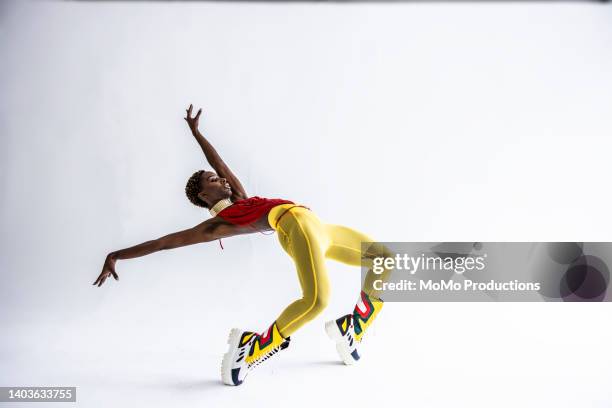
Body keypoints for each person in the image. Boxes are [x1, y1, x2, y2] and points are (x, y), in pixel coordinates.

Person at [93, 105, 393, 386]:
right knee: (317, 301)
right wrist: (115, 254)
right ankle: (251, 348)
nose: (222, 178)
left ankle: (354, 328)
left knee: (384, 259)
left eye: (220, 177)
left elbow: (218, 161)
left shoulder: (239, 197)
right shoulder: (217, 224)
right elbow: (163, 243)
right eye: (213, 180)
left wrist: (197, 134)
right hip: (295, 226)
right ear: (202, 196)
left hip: (316, 227)